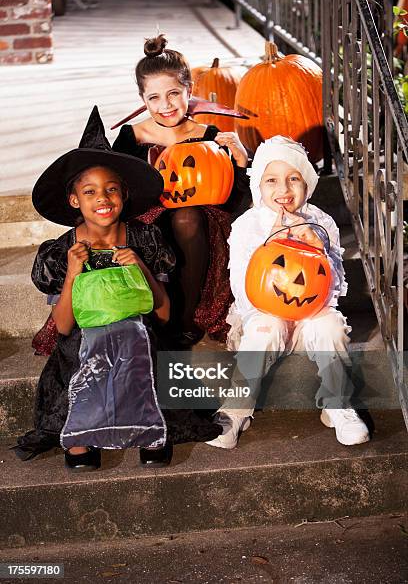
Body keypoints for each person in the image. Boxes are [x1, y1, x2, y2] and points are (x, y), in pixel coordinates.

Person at [14, 107, 221, 470]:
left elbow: (163, 313)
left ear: (123, 195)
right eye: (90, 191)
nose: (103, 198)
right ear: (75, 200)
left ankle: (149, 427)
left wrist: (140, 267)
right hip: (84, 341)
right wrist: (74, 273)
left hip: (138, 337)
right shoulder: (62, 252)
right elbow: (63, 326)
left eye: (111, 190)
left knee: (135, 340)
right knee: (87, 348)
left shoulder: (144, 239)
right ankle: (82, 430)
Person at [206, 136, 371, 449]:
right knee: (265, 329)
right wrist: (270, 243)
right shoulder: (247, 225)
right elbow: (243, 289)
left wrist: (318, 249)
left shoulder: (322, 222)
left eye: (293, 179)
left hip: (309, 316)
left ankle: (338, 405)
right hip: (263, 315)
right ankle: (236, 411)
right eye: (272, 180)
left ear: (306, 184)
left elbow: (333, 290)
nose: (283, 190)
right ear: (259, 185)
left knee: (330, 325)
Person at [112, 34, 250, 346]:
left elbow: (230, 199)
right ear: (143, 99)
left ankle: (187, 316)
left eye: (173, 93)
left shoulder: (209, 134)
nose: (165, 105)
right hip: (147, 222)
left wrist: (240, 162)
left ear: (189, 90)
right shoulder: (131, 137)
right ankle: (157, 314)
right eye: (154, 98)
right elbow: (116, 192)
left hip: (201, 225)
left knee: (187, 217)